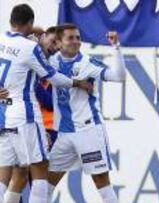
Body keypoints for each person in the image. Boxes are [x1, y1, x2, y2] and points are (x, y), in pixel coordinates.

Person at [0, 5, 92, 203]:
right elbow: (52, 77)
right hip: (24, 116)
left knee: (1, 177)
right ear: (31, 25)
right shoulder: (31, 48)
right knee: (40, 170)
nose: (54, 46)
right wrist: (78, 83)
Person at [47, 24, 126, 203]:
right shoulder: (51, 62)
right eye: (70, 38)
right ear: (59, 42)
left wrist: (116, 47)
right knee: (45, 185)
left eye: (78, 37)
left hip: (88, 131)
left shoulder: (88, 63)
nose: (76, 42)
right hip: (64, 134)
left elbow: (119, 76)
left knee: (102, 184)